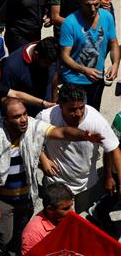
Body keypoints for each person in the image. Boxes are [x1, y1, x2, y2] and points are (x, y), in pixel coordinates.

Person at [0, 97, 104, 253]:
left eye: (25, 113)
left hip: (26, 197)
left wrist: (84, 135)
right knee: (4, 236)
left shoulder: (33, 127)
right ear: (5, 120)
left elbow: (61, 132)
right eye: (17, 116)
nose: (24, 119)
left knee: (20, 232)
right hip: (3, 199)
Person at [37, 84, 121, 213]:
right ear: (60, 105)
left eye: (81, 107)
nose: (78, 113)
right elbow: (33, 140)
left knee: (79, 214)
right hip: (56, 180)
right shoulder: (45, 117)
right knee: (55, 217)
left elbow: (113, 149)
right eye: (72, 109)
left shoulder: (96, 120)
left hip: (85, 182)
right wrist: (43, 159)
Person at [59, 0, 119, 110]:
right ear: (80, 2)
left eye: (96, 4)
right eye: (88, 5)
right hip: (74, 81)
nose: (92, 9)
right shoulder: (70, 23)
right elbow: (65, 56)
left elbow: (113, 44)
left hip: (96, 80)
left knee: (93, 115)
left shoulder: (107, 17)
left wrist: (115, 64)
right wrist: (84, 70)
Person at [1, 37, 60, 117]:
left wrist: (54, 101)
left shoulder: (52, 54)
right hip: (26, 116)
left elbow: (54, 75)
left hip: (47, 112)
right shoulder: (13, 66)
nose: (49, 66)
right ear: (36, 55)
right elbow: (6, 97)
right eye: (46, 63)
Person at [20, 182, 74, 255]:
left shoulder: (65, 218)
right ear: (50, 209)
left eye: (71, 206)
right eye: (65, 208)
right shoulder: (32, 234)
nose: (71, 211)